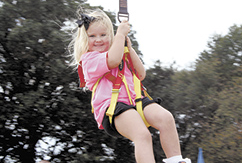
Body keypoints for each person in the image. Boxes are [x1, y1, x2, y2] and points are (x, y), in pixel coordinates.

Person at [69, 9, 191, 163]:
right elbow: (112, 60)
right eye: (92, 36)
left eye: (103, 35)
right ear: (84, 39)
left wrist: (129, 48)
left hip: (135, 101)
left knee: (166, 118)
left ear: (110, 36)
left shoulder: (120, 52)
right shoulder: (89, 59)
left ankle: (176, 160)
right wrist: (120, 35)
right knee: (142, 134)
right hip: (112, 107)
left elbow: (140, 74)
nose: (98, 40)